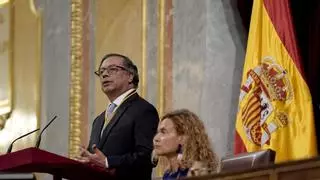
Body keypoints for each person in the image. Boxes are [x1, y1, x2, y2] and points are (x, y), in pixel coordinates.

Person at [77, 53, 159, 180]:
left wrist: (108, 162)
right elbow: (95, 159)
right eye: (101, 71)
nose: (104, 74)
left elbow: (147, 157)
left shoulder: (143, 110)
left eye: (112, 69)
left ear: (130, 76)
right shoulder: (98, 120)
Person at [153, 109, 219, 179]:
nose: (156, 138)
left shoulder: (197, 171)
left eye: (163, 132)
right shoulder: (168, 172)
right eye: (158, 132)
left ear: (183, 137)